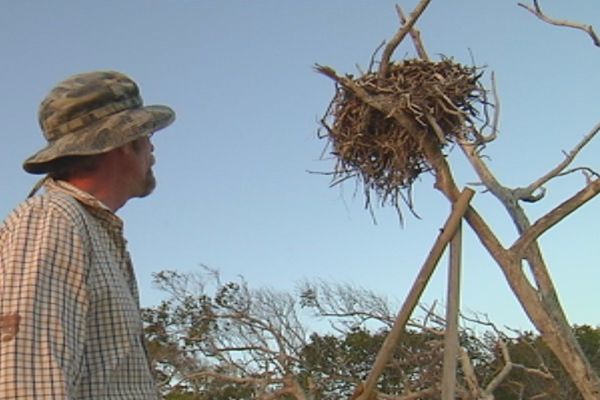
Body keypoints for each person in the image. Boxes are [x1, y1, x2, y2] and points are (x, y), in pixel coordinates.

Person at [0, 71, 175, 399]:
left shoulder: (89, 229)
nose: (152, 147)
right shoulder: (51, 219)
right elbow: (26, 382)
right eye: (147, 133)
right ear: (125, 141)